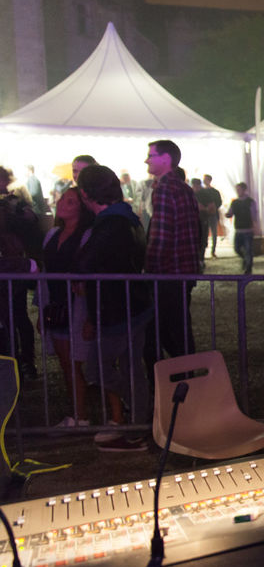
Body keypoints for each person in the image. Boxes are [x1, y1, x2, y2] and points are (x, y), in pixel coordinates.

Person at [75, 165, 153, 452]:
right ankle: (139, 423)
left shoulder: (110, 224)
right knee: (132, 368)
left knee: (98, 369)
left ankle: (142, 415)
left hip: (117, 309)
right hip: (133, 305)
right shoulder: (126, 218)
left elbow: (88, 263)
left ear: (85, 193)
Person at [40, 188, 96, 427]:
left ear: (81, 210)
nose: (63, 203)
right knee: (66, 363)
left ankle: (81, 415)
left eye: (71, 201)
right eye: (63, 198)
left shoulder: (86, 236)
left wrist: (91, 315)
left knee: (77, 364)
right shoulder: (53, 234)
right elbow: (45, 275)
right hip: (57, 305)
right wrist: (42, 309)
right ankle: (77, 413)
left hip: (77, 306)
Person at [144, 139, 200, 360]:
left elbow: (161, 236)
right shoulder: (182, 188)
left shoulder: (165, 189)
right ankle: (186, 378)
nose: (146, 159)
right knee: (179, 331)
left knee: (164, 331)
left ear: (166, 159)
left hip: (167, 273)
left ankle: (177, 382)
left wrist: (149, 270)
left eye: (151, 155)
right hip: (182, 270)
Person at [0, 165, 41, 380]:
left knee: (17, 316)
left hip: (14, 267)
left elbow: (30, 224)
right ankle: (16, 362)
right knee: (13, 317)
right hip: (12, 266)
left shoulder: (15, 204)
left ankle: (23, 361)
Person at [226, 182, 259, 274]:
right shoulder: (235, 202)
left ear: (244, 190)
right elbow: (230, 212)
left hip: (247, 229)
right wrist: (228, 214)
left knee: (248, 249)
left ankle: (248, 267)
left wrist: (254, 225)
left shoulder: (250, 202)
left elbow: (254, 215)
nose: (238, 191)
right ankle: (246, 260)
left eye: (239, 189)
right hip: (239, 229)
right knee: (237, 248)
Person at [199, 174, 222, 258]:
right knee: (206, 233)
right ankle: (207, 251)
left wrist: (212, 209)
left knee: (213, 233)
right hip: (205, 215)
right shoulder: (203, 192)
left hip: (211, 214)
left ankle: (213, 250)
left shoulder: (214, 192)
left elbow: (219, 202)